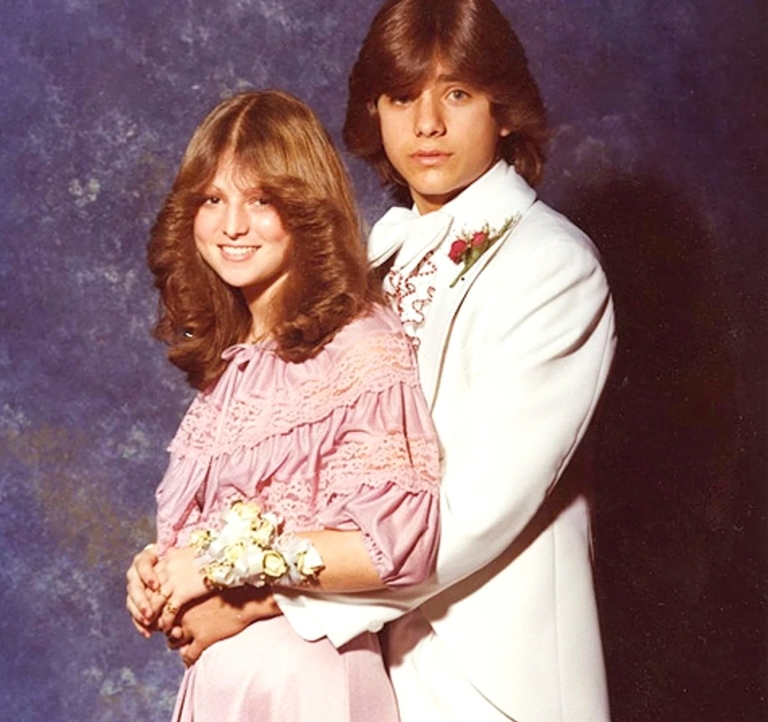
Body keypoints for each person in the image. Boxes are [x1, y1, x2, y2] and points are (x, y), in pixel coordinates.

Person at [131, 0, 617, 719]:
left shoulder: (551, 267)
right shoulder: (364, 264)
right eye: (400, 97)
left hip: (480, 673)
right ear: (373, 113)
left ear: (505, 108)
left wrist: (259, 599)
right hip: (349, 670)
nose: (426, 125)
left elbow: (466, 516)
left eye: (456, 93)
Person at [124, 88, 442, 722]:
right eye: (213, 200)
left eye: (260, 201)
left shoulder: (358, 344)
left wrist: (214, 570)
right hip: (226, 684)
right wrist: (156, 570)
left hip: (305, 681)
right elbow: (224, 532)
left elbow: (394, 545)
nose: (232, 226)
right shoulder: (237, 365)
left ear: (306, 210)